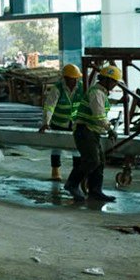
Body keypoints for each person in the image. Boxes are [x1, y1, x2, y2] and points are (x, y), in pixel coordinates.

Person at [65, 64, 123, 203]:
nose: (115, 85)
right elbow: (98, 115)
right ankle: (72, 184)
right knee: (92, 160)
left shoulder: (101, 93)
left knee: (100, 162)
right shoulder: (96, 93)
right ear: (107, 80)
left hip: (91, 131)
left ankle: (95, 191)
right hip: (84, 130)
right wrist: (110, 129)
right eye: (114, 82)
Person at [39, 63, 85, 195]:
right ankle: (55, 170)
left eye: (76, 78)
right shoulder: (57, 88)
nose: (74, 81)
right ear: (65, 78)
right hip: (58, 123)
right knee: (56, 147)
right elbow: (50, 105)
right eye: (71, 78)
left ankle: (76, 174)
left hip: (74, 123)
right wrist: (46, 122)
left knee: (76, 149)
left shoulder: (81, 88)